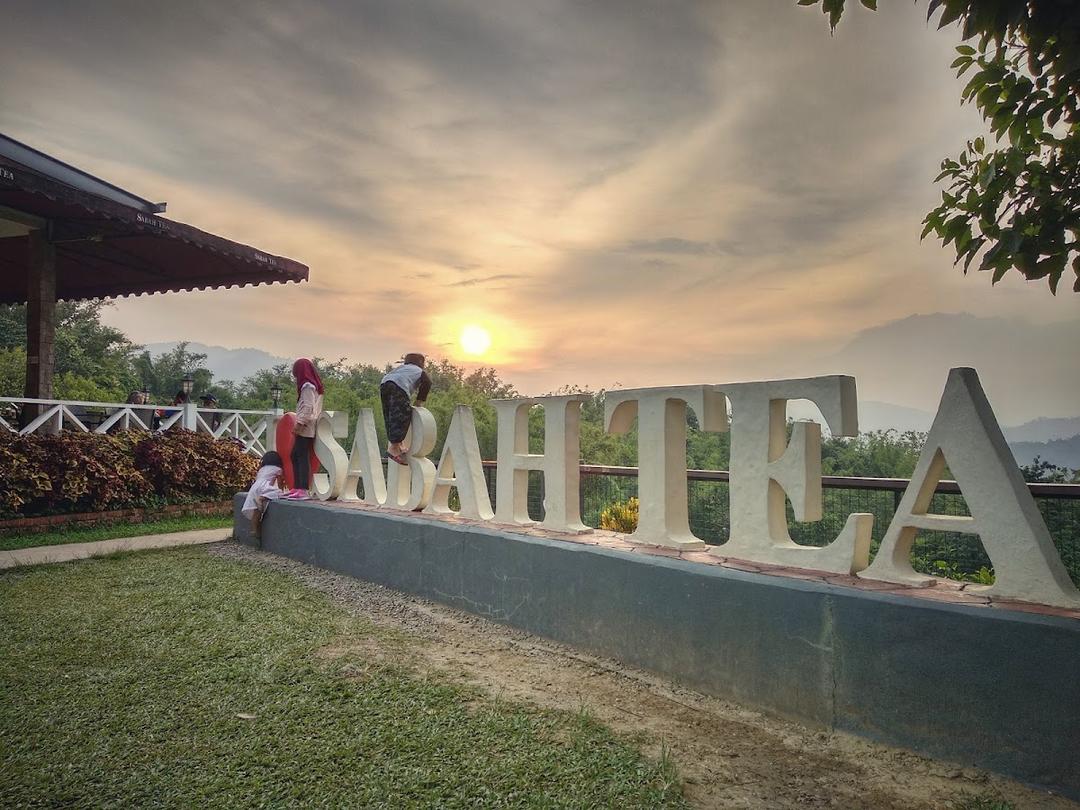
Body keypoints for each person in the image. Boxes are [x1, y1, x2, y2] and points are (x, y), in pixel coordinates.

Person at [380, 352, 431, 465]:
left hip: (384, 383)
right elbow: (427, 383)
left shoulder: (402, 368)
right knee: (402, 415)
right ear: (421, 363)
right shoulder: (419, 371)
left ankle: (399, 444)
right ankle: (393, 448)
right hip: (399, 386)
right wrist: (419, 401)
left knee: (390, 415)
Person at [290, 358, 323, 495]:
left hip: (306, 426)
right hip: (307, 425)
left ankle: (302, 488)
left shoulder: (308, 386)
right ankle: (298, 487)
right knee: (297, 454)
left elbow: (308, 407)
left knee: (300, 455)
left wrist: (300, 423)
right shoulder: (311, 386)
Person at [241, 451, 285, 539]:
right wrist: (281, 490)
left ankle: (254, 530)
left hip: (255, 487)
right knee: (279, 493)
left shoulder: (261, 469)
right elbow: (280, 484)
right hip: (264, 487)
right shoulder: (278, 469)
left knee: (256, 511)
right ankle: (261, 498)